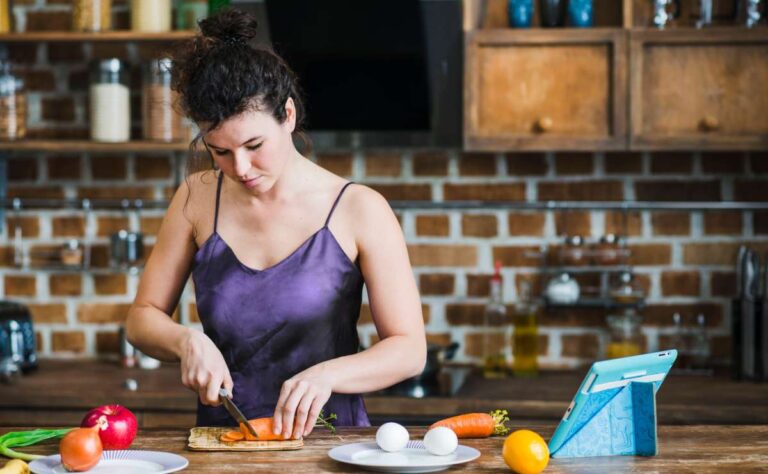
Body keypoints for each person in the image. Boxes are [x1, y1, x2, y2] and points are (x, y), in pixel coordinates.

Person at [125, 9, 426, 439]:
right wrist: (185, 341)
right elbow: (142, 318)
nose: (241, 167)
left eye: (254, 145)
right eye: (220, 151)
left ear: (287, 115)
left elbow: (409, 350)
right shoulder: (195, 197)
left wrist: (326, 376)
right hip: (223, 445)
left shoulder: (359, 208)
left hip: (329, 444)